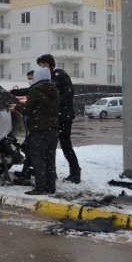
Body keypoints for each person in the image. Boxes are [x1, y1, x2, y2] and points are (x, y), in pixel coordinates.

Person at [9, 67, 59, 195]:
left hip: (39, 130)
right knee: (50, 160)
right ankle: (50, 187)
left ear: (38, 77)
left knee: (38, 160)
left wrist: (16, 107)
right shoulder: (54, 89)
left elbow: (27, 109)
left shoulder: (36, 90)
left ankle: (40, 188)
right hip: (53, 130)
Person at [37, 53, 81, 183]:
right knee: (51, 146)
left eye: (43, 64)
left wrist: (54, 104)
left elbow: (69, 93)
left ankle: (75, 172)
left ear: (49, 64)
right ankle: (52, 173)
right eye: (40, 65)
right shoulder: (47, 78)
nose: (42, 67)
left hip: (64, 117)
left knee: (65, 145)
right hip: (56, 117)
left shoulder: (59, 74)